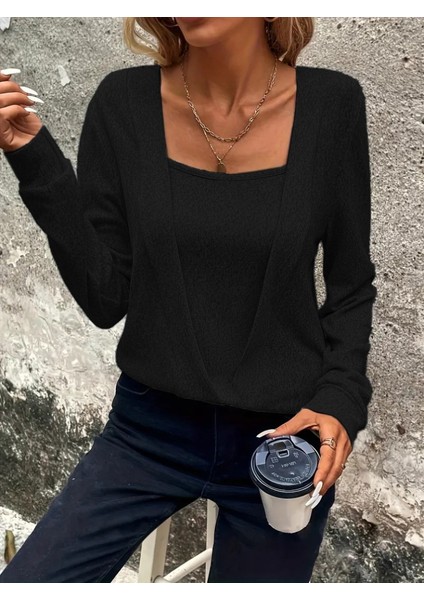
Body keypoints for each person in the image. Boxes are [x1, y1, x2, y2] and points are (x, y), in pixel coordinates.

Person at [0, 17, 377, 583]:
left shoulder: (332, 105)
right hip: (148, 430)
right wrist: (30, 152)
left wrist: (341, 399)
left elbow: (351, 285)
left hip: (281, 445)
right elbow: (105, 297)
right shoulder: (122, 104)